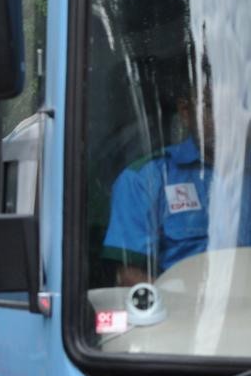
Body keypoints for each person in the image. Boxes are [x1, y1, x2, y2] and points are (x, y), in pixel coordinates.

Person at [102, 65, 251, 286]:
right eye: (214, 108)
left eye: (237, 108)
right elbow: (130, 277)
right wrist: (182, 310)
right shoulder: (145, 179)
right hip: (184, 317)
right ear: (185, 111)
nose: (227, 120)